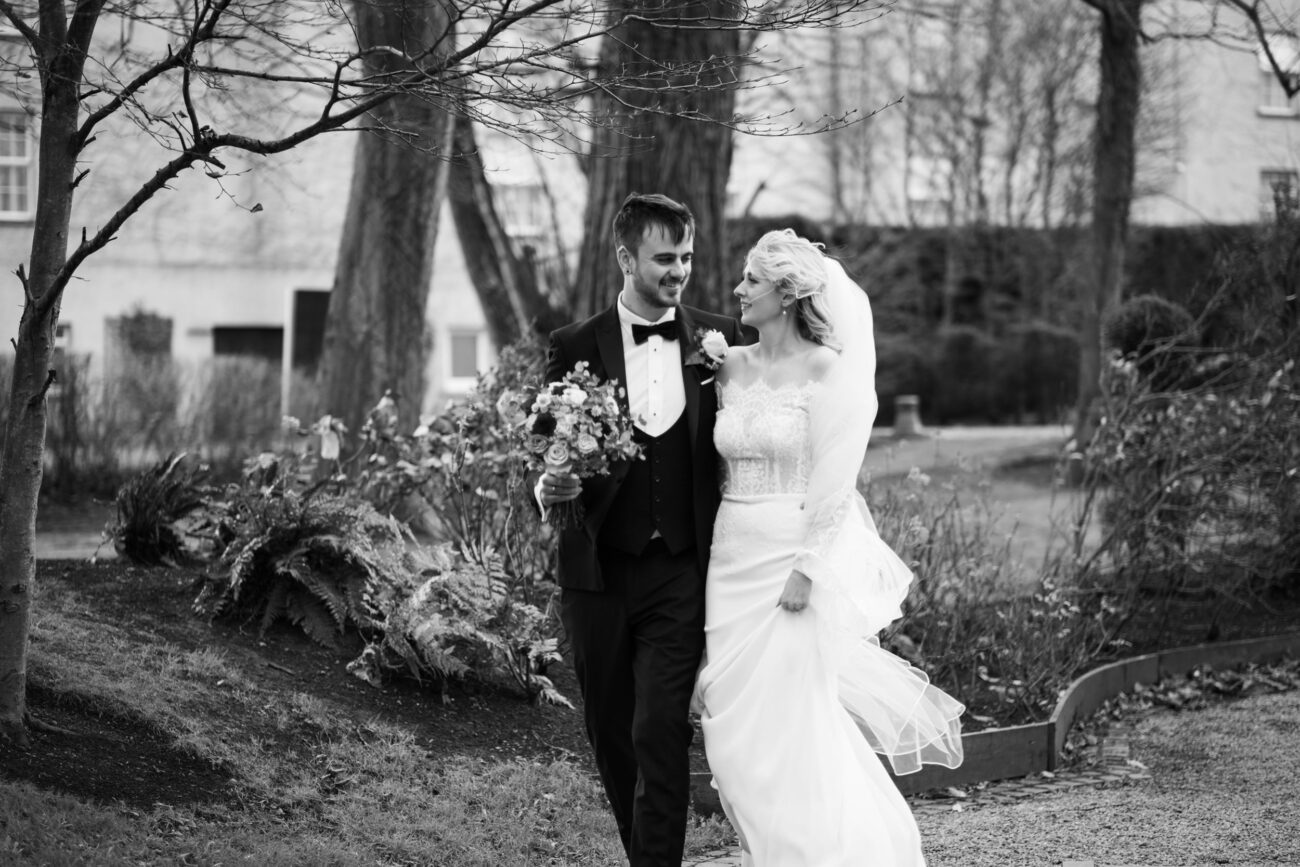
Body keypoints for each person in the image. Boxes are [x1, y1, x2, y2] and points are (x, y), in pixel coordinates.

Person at [695, 229, 965, 866]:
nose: (738, 289)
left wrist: (808, 568)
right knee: (732, 735)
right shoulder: (726, 366)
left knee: (793, 726)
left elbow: (836, 483)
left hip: (789, 565)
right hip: (728, 563)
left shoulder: (824, 369)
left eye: (751, 281)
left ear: (785, 295)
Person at [537, 193, 745, 867]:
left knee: (660, 727)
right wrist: (550, 489)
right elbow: (549, 457)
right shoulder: (571, 347)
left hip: (680, 569)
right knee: (610, 731)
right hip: (596, 571)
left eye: (686, 256)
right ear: (626, 257)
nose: (679, 270)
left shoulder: (718, 343)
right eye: (664, 258)